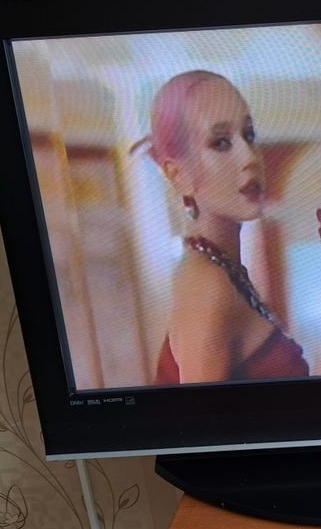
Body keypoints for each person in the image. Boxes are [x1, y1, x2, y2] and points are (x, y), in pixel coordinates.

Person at [132, 70, 309, 385]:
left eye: (249, 135)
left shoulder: (222, 268)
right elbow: (205, 416)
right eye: (221, 142)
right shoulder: (209, 285)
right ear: (178, 175)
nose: (249, 157)